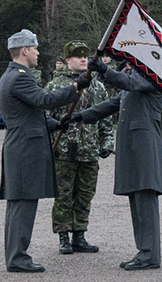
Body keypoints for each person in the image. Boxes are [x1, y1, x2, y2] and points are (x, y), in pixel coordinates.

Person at [0, 29, 90, 273]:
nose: (38, 53)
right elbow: (44, 100)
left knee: (19, 205)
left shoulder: (12, 75)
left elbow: (30, 114)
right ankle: (17, 258)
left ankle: (16, 255)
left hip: (22, 145)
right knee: (23, 205)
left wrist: (57, 124)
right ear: (25, 50)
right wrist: (76, 86)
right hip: (25, 149)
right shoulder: (20, 77)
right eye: (35, 48)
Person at [66, 57, 162, 270]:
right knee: (137, 199)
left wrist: (105, 70)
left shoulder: (152, 77)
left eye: (133, 62)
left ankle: (149, 255)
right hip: (134, 148)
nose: (129, 65)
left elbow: (128, 83)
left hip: (145, 148)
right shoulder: (135, 82)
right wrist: (79, 117)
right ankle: (144, 251)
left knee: (145, 199)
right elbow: (109, 105)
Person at [47, 41, 114, 255]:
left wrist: (107, 142)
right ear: (68, 60)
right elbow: (46, 118)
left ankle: (80, 235)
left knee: (85, 194)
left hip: (90, 149)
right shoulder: (55, 86)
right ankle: (63, 236)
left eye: (85, 56)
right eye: (78, 56)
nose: (83, 59)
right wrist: (50, 145)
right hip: (64, 150)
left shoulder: (97, 85)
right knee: (64, 195)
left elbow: (105, 117)